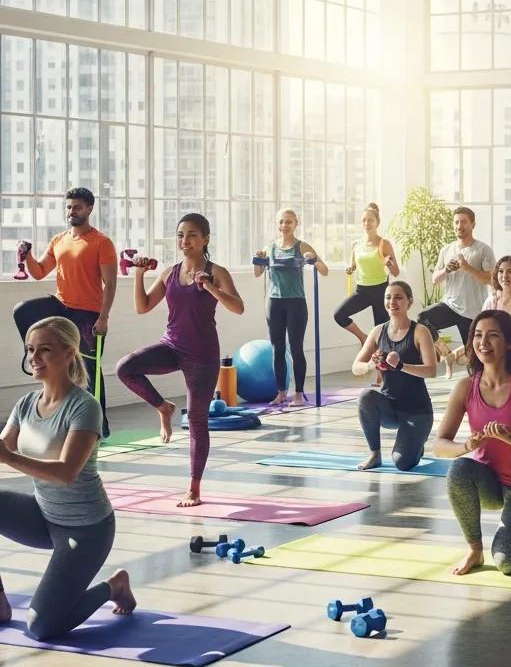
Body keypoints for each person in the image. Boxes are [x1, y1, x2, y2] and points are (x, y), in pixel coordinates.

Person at [0, 317, 135, 640]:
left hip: (87, 529)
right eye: (30, 349)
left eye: (44, 350)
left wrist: (9, 458)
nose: (34, 357)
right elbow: (3, 446)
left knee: (42, 626)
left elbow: (65, 472)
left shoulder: (84, 407)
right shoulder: (26, 403)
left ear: (69, 353)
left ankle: (114, 585)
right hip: (44, 517)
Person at [115, 213, 244, 507]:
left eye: (192, 235)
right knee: (125, 368)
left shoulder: (218, 271)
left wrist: (210, 286)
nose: (185, 241)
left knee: (198, 421)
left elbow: (238, 308)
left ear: (205, 239)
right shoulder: (170, 273)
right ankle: (164, 407)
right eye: (180, 235)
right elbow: (142, 306)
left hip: (203, 356)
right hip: (171, 346)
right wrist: (138, 274)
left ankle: (194, 488)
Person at [433, 311, 511, 577]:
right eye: (478, 335)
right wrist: (467, 446)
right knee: (459, 470)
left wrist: (509, 438)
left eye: (493, 335)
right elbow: (439, 445)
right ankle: (474, 549)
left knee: (507, 563)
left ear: (510, 342)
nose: (483, 342)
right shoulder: (466, 387)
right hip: (491, 484)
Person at [13, 187, 117, 438]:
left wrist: (103, 317)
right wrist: (27, 256)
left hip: (87, 313)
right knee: (22, 311)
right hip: (60, 307)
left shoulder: (101, 242)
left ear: (89, 209)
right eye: (69, 207)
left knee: (92, 371)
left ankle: (100, 428)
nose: (72, 211)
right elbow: (38, 273)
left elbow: (110, 284)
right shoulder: (59, 240)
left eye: (77, 207)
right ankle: (39, 352)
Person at [351, 281, 437, 471]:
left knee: (402, 463)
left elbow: (432, 370)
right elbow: (356, 367)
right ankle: (375, 454)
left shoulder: (420, 332)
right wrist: (370, 365)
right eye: (388, 297)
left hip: (417, 411)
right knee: (366, 396)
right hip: (390, 408)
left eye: (398, 297)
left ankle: (416, 445)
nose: (392, 302)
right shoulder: (378, 331)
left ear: (409, 302)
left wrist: (401, 366)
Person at [253, 208, 328, 406]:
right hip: (274, 302)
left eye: (288, 222)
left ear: (296, 224)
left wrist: (313, 258)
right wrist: (258, 258)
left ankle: (298, 394)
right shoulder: (269, 248)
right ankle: (280, 393)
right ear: (277, 224)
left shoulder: (302, 246)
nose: (284, 225)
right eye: (281, 222)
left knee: (296, 349)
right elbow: (258, 273)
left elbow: (324, 270)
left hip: (296, 302)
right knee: (277, 349)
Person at [419, 207, 496, 378]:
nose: (459, 225)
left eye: (463, 222)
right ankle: (445, 353)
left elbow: (490, 279)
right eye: (456, 222)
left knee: (475, 365)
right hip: (450, 305)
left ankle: (477, 395)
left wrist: (467, 267)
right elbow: (435, 279)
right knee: (423, 319)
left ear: (472, 224)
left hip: (473, 311)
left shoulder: (483, 249)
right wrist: (447, 270)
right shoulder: (447, 250)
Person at [334, 203, 399, 348]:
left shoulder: (384, 244)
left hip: (381, 291)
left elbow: (396, 272)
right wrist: (350, 268)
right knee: (339, 315)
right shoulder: (356, 245)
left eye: (370, 220)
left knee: (383, 336)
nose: (366, 223)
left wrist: (389, 264)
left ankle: (382, 370)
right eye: (364, 220)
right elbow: (354, 265)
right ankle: (364, 338)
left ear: (377, 222)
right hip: (362, 291)